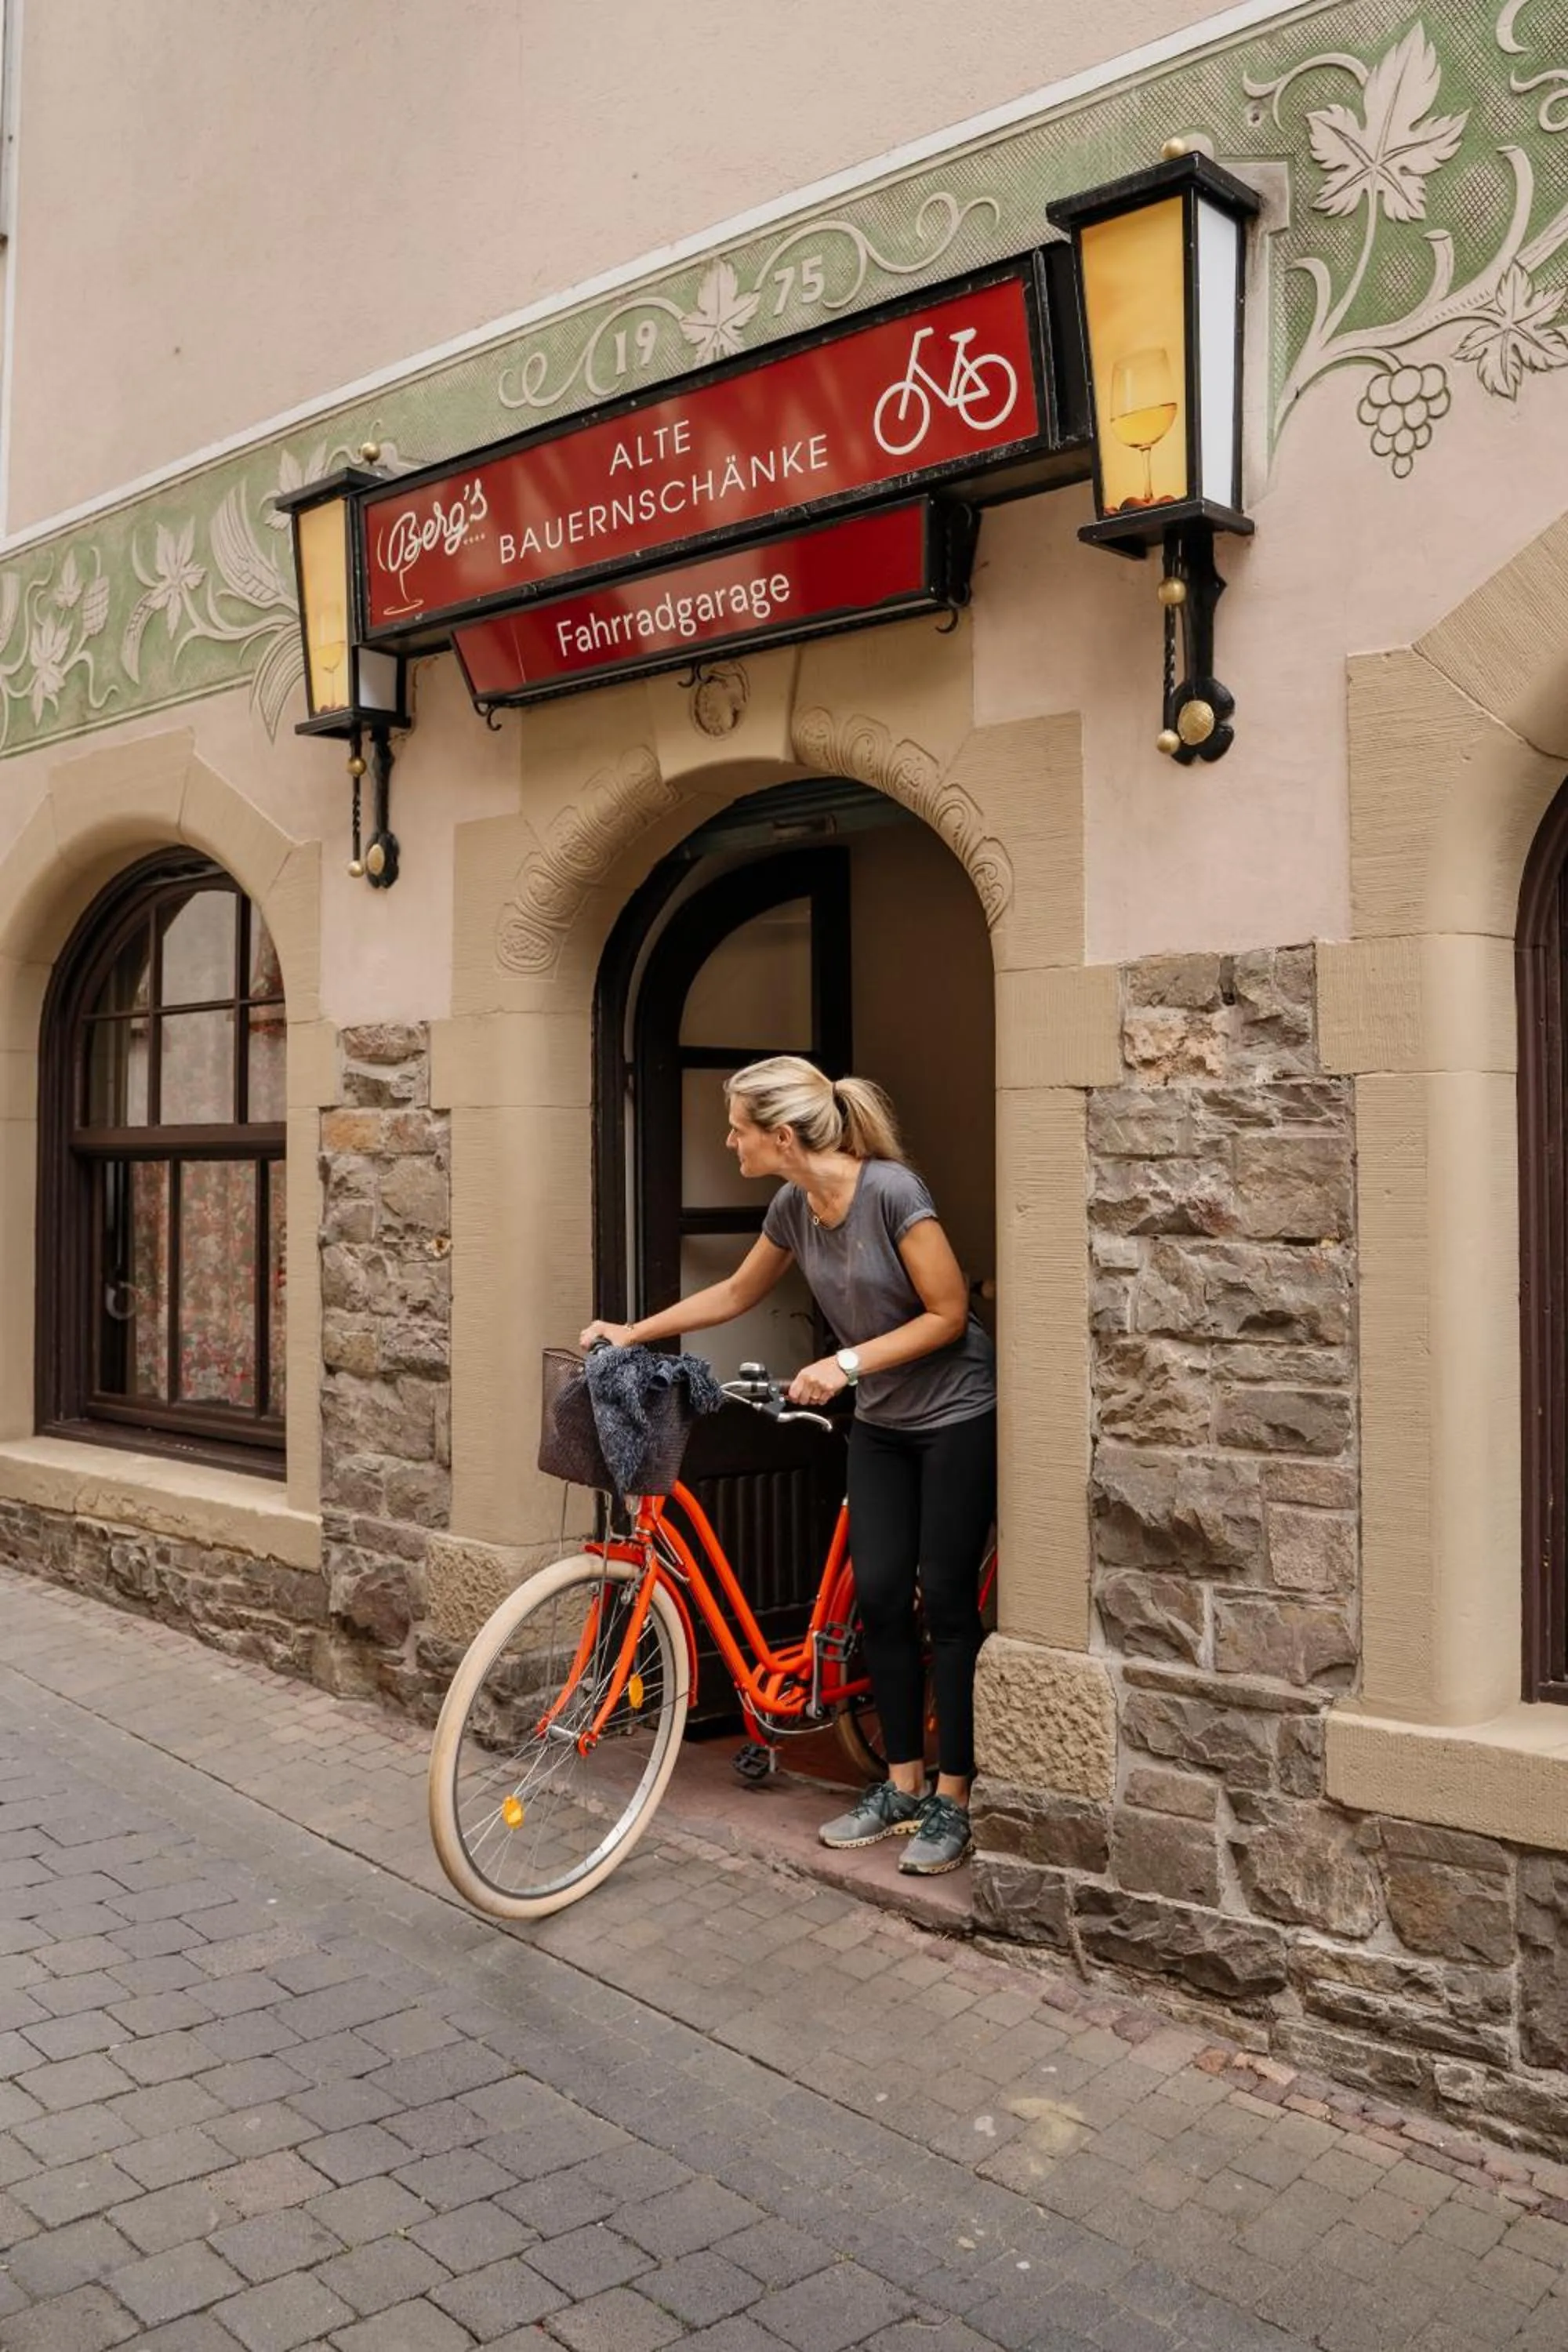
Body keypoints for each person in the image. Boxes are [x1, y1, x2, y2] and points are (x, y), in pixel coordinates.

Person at [580, 1054, 996, 1875]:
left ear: (779, 1134)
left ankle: (954, 1797)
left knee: (943, 1602)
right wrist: (632, 1333)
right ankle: (901, 1787)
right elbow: (735, 1294)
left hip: (953, 1416)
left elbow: (949, 1315)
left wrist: (845, 1366)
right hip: (880, 1421)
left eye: (735, 1128)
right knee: (877, 1598)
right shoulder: (793, 1205)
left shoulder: (891, 1193)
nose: (726, 1141)